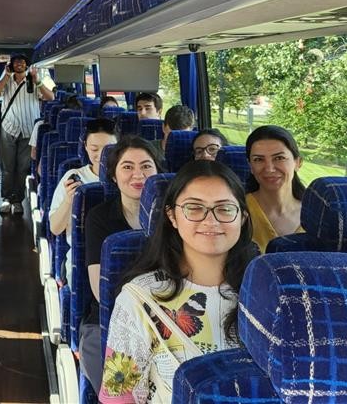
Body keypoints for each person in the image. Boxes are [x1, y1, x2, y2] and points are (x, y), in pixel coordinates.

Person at [99, 160, 256, 403]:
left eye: (224, 209)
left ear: (242, 218)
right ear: (172, 216)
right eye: (194, 208)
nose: (211, 220)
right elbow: (119, 396)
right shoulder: (140, 297)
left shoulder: (265, 295)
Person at [79, 135, 163, 392]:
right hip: (109, 320)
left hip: (167, 318)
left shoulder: (174, 217)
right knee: (122, 391)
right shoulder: (99, 217)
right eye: (127, 167)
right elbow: (99, 289)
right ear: (113, 176)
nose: (138, 174)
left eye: (146, 166)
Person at [49, 118, 118, 285]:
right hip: (80, 259)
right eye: (94, 149)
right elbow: (55, 228)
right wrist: (68, 200)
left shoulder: (129, 180)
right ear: (85, 147)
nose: (101, 155)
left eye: (108, 149)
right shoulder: (74, 177)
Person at [0, 53, 54, 215]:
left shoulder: (34, 81)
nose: (19, 64)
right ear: (11, 65)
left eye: (22, 62)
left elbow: (50, 97)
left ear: (27, 65)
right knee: (7, 167)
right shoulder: (7, 80)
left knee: (22, 168)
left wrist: (37, 80)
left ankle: (17, 200)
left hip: (28, 130)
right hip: (9, 128)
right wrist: (6, 75)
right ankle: (6, 199)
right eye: (16, 62)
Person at [245, 125, 305, 252]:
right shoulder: (237, 211)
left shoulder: (319, 216)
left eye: (279, 158)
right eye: (259, 159)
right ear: (250, 166)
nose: (269, 169)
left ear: (298, 163)